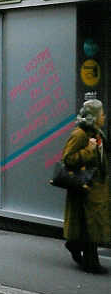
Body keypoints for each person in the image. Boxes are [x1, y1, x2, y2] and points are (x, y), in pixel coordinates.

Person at [61, 99, 109, 274]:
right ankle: (91, 263)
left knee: (92, 225)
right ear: (94, 117)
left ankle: (75, 246)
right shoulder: (80, 134)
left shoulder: (97, 132)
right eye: (102, 114)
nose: (104, 116)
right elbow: (68, 159)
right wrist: (89, 149)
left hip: (96, 188)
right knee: (89, 226)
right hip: (84, 188)